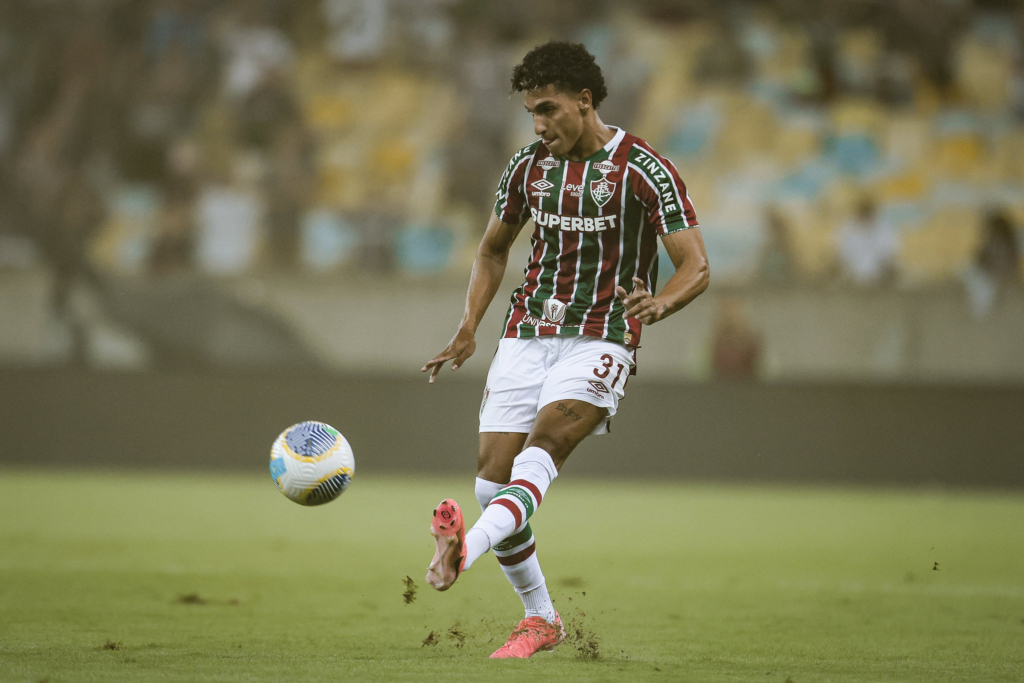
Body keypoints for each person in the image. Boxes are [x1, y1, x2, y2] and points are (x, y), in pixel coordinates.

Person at [420, 41, 709, 659]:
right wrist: (470, 324)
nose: (539, 124)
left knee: (545, 444)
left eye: (548, 109)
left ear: (585, 101)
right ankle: (542, 619)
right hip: (527, 332)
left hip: (603, 335)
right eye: (531, 113)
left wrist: (663, 303)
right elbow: (493, 249)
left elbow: (695, 265)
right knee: (491, 488)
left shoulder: (641, 168)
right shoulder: (527, 168)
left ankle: (461, 552)